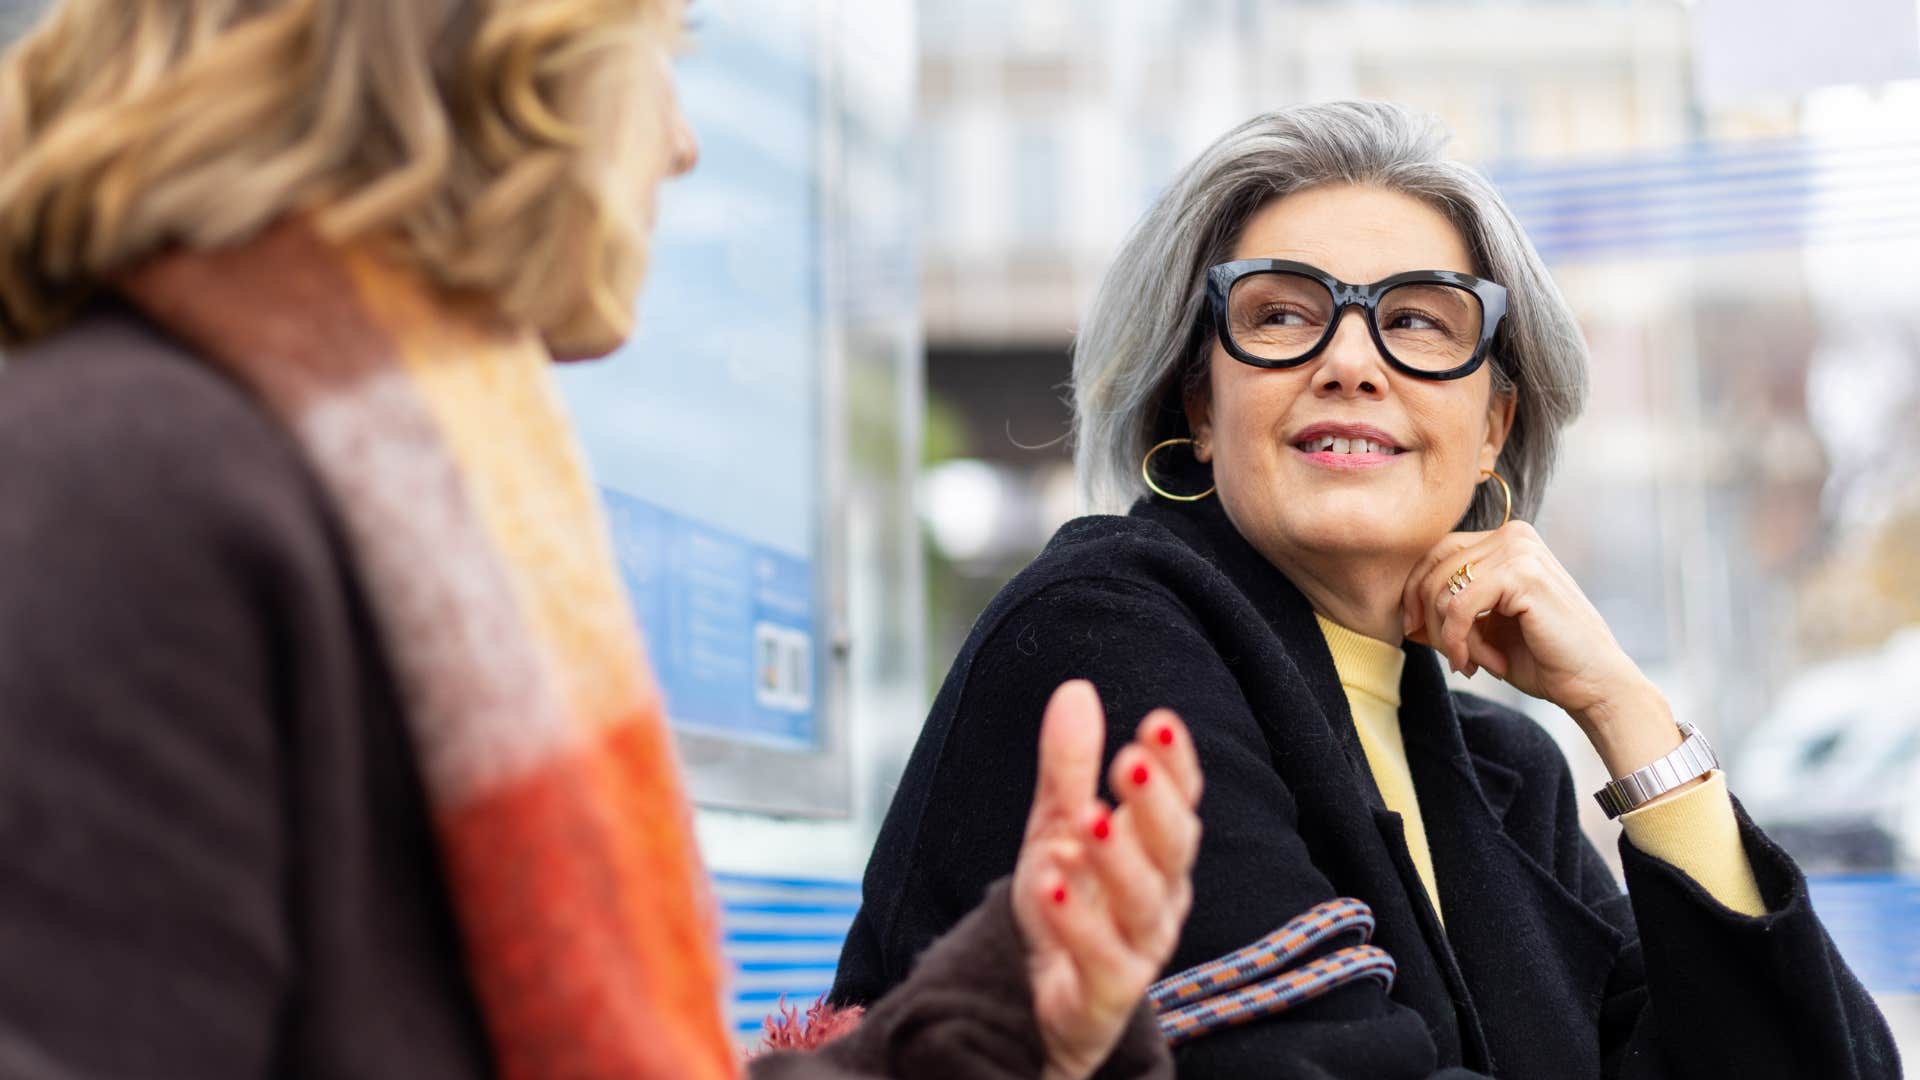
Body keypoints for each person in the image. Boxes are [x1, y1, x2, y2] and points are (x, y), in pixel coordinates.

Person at [0, 2, 1204, 1078]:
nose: (680, 142)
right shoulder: (131, 488)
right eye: (662, 52)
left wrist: (1004, 1019)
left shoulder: (425, 487)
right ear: (507, 51)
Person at [832, 101, 1902, 1078]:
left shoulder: (1504, 771)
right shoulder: (1104, 634)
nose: (1351, 361)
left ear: (1494, 429)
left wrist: (1629, 717)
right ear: (1199, 406)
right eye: (1284, 315)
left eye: (1423, 321)